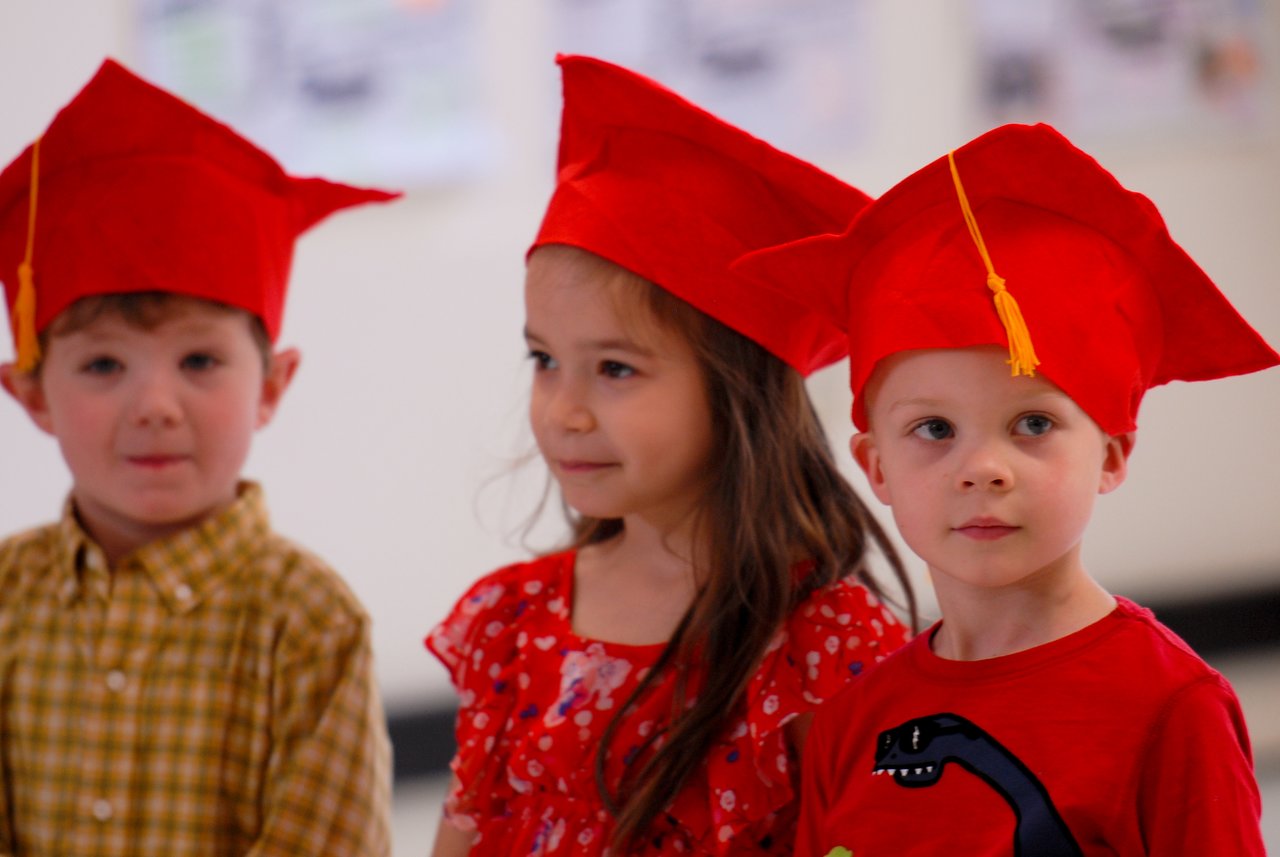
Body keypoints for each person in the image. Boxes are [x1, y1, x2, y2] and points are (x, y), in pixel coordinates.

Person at [733, 122, 1276, 855]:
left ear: (1113, 454)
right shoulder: (851, 724)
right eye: (933, 428)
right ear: (876, 466)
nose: (983, 467)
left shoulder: (1172, 708)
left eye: (1032, 422)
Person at [424, 55, 916, 857]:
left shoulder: (828, 648)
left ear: (738, 389)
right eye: (543, 359)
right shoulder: (510, 621)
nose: (564, 410)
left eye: (615, 368)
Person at [0, 59, 399, 856]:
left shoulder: (309, 622)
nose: (155, 404)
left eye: (200, 362)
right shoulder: (5, 595)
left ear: (273, 385)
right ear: (33, 394)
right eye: (104, 365)